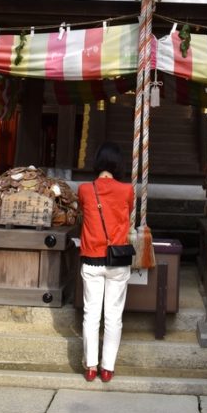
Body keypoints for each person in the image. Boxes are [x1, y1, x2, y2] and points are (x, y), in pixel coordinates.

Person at [77, 142, 135, 383]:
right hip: (117, 259)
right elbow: (127, 214)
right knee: (113, 316)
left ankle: (90, 367)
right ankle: (108, 368)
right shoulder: (127, 190)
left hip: (92, 257)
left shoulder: (84, 190)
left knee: (91, 314)